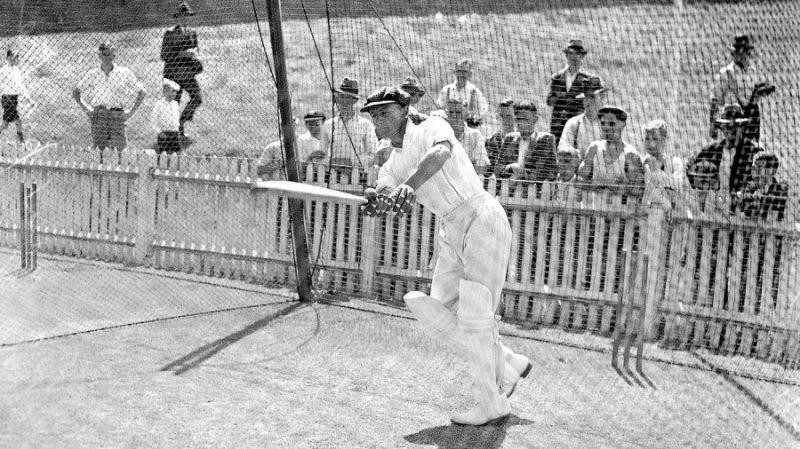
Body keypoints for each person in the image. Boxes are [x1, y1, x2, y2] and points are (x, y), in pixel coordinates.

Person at [361, 86, 532, 426]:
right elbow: (384, 188)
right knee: (437, 311)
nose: (378, 119)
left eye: (385, 112)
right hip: (450, 229)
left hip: (481, 217)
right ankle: (507, 363)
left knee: (474, 313)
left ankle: (492, 403)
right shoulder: (391, 160)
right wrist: (375, 200)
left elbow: (440, 154)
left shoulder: (432, 126)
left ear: (405, 109)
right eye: (373, 114)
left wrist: (409, 185)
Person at [73, 41, 146, 151]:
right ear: (99, 56)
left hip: (116, 115)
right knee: (99, 151)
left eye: (109, 54)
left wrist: (130, 113)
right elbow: (76, 92)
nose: (106, 57)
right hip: (99, 115)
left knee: (120, 151)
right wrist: (88, 110)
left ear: (114, 55)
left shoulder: (124, 72)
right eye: (103, 54)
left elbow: (141, 92)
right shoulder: (93, 74)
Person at [710, 34, 774, 142]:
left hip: (752, 117)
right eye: (740, 51)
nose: (744, 55)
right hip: (732, 119)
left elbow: (754, 95)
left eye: (745, 52)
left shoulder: (752, 72)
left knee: (751, 150)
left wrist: (762, 91)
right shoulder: (726, 73)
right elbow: (715, 101)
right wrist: (712, 125)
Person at [689, 103, 761, 199]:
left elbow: (761, 179)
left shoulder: (754, 151)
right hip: (714, 204)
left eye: (735, 126)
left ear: (742, 127)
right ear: (721, 128)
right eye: (727, 126)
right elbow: (692, 170)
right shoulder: (710, 150)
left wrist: (745, 192)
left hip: (742, 205)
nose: (731, 130)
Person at [575, 106, 644, 193]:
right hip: (594, 205)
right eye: (603, 123)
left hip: (620, 206)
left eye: (611, 123)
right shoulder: (594, 148)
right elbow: (580, 179)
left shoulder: (630, 154)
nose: (606, 127)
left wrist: (618, 188)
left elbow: (638, 189)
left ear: (622, 125)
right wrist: (595, 187)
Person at [161, 1, 203, 139]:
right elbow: (164, 55)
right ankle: (174, 132)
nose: (185, 18)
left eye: (187, 16)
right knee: (174, 104)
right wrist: (182, 53)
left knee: (197, 98)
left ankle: (181, 121)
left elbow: (196, 48)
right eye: (182, 16)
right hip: (174, 74)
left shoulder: (192, 32)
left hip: (188, 73)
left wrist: (194, 52)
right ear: (177, 17)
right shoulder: (170, 33)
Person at [318, 77, 378, 170]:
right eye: (341, 96)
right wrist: (332, 162)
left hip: (358, 176)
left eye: (349, 97)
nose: (344, 101)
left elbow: (373, 155)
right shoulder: (328, 125)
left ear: (355, 100)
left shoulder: (366, 124)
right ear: (337, 98)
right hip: (332, 176)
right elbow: (321, 154)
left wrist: (351, 162)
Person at [546, 39, 595, 143]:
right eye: (571, 54)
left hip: (578, 126)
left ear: (582, 57)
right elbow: (549, 101)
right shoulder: (557, 77)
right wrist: (560, 97)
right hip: (558, 125)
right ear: (567, 56)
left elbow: (594, 103)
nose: (574, 58)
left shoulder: (587, 79)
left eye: (578, 55)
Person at [496, 101, 556, 181]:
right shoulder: (509, 139)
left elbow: (547, 171)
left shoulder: (545, 139)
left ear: (535, 119)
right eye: (518, 119)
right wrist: (510, 168)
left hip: (536, 190)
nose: (521, 122)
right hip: (509, 190)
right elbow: (497, 170)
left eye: (525, 119)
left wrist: (521, 172)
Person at [641, 120, 689, 207]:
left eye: (655, 139)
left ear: (664, 140)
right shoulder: (642, 162)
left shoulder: (675, 163)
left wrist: (656, 170)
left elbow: (677, 185)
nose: (650, 144)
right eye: (647, 138)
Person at [557, 76, 606, 160]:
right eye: (586, 97)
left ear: (602, 97)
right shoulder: (574, 123)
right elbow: (563, 147)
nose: (588, 102)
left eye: (592, 97)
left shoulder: (609, 124)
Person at [436, 59, 489, 128]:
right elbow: (439, 108)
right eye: (459, 71)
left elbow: (482, 111)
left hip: (467, 130)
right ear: (454, 72)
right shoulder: (446, 90)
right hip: (448, 129)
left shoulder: (475, 92)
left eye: (464, 71)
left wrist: (472, 118)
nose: (461, 74)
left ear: (470, 74)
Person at [738, 151, 788, 221]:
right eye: (754, 166)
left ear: (771, 171)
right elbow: (739, 213)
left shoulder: (779, 193)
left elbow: (774, 219)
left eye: (759, 166)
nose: (754, 169)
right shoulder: (750, 187)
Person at [0, 49, 36, 143]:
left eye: (15, 57)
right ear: (7, 58)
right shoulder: (3, 70)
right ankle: (22, 142)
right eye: (11, 57)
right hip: (7, 98)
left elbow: (21, 86)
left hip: (13, 98)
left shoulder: (16, 70)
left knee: (5, 124)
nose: (13, 59)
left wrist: (29, 98)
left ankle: (21, 141)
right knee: (17, 120)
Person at [446, 100, 489, 174]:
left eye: (458, 112)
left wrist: (456, 169)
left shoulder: (475, 135)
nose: (454, 116)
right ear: (446, 113)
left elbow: (482, 168)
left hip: (467, 183)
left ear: (466, 114)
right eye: (451, 112)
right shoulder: (440, 134)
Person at [151, 78, 182, 154]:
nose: (174, 94)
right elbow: (153, 119)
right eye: (172, 91)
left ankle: (177, 164)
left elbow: (176, 118)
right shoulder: (159, 104)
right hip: (164, 133)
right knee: (164, 153)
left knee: (178, 152)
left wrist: (177, 129)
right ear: (165, 92)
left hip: (174, 132)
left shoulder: (175, 104)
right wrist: (159, 131)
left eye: (175, 92)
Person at [486, 98, 515, 177]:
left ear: (515, 117)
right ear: (497, 117)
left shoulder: (523, 139)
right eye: (502, 116)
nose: (505, 120)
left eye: (509, 116)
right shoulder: (490, 141)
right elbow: (488, 168)